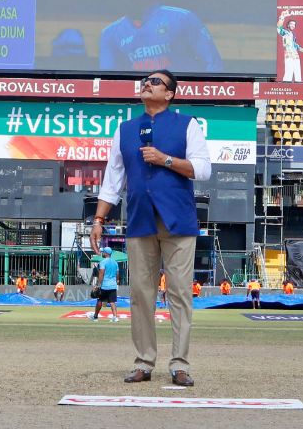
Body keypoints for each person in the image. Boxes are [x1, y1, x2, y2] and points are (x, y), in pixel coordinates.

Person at [92, 69, 212, 387]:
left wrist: (165, 160)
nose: (147, 84)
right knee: (140, 294)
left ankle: (180, 364)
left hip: (179, 221)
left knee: (179, 294)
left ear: (170, 93)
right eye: (145, 81)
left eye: (155, 82)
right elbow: (112, 181)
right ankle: (144, 362)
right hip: (140, 220)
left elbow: (203, 169)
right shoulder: (125, 129)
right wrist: (99, 220)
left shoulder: (188, 124)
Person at [98, 0, 223, 72]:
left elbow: (213, 64)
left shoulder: (182, 18)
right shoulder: (110, 33)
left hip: (182, 97)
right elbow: (109, 80)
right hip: (141, 98)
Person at [277, 10, 303, 82]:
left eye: (294, 25)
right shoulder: (285, 32)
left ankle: (299, 87)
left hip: (296, 55)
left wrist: (301, 49)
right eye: (291, 24)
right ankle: (286, 85)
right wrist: (282, 17)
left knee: (298, 73)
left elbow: (295, 44)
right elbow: (279, 29)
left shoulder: (293, 35)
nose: (292, 26)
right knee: (289, 72)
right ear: (288, 25)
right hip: (289, 54)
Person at [92, 247, 120, 322]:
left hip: (104, 285)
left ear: (106, 253)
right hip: (113, 285)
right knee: (112, 302)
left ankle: (95, 317)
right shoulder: (115, 262)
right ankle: (115, 317)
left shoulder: (103, 262)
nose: (102, 253)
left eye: (103, 252)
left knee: (100, 301)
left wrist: (98, 284)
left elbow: (101, 273)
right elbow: (117, 273)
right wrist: (117, 280)